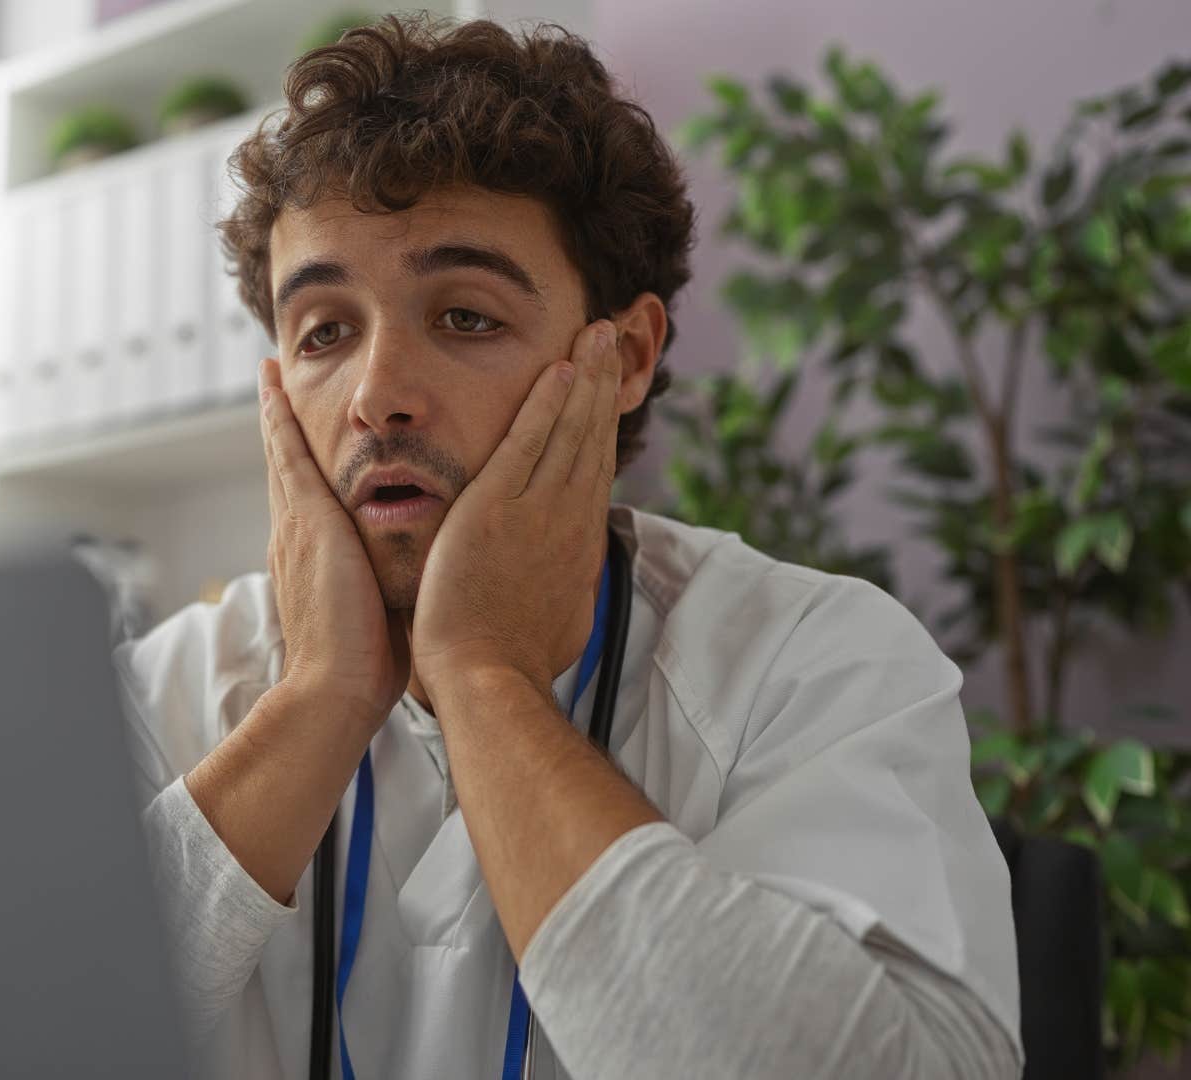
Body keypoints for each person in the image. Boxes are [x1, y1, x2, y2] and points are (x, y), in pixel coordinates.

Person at [114, 14, 1023, 1079]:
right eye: (323, 331)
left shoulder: (816, 658)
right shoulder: (162, 690)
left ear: (625, 355)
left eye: (464, 317)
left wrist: (483, 675)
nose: (376, 398)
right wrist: (320, 696)